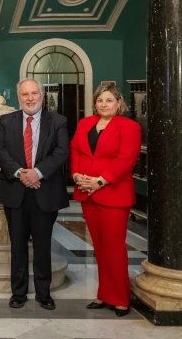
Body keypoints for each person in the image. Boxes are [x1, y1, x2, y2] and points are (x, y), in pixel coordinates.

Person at [0, 78, 69, 311]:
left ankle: (44, 293)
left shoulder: (58, 121)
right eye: (25, 94)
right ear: (19, 97)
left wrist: (37, 173)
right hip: (15, 191)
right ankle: (18, 292)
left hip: (45, 192)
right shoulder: (7, 120)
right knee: (17, 245)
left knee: (43, 245)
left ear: (41, 96)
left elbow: (62, 151)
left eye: (34, 93)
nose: (30, 98)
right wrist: (20, 173)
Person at [70, 84, 141, 317]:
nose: (104, 104)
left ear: (119, 103)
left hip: (113, 193)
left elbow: (126, 159)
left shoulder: (129, 127)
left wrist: (100, 181)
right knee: (99, 247)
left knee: (115, 247)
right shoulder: (85, 124)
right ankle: (103, 293)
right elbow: (77, 151)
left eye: (109, 100)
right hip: (87, 193)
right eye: (100, 100)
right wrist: (76, 175)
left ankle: (120, 297)